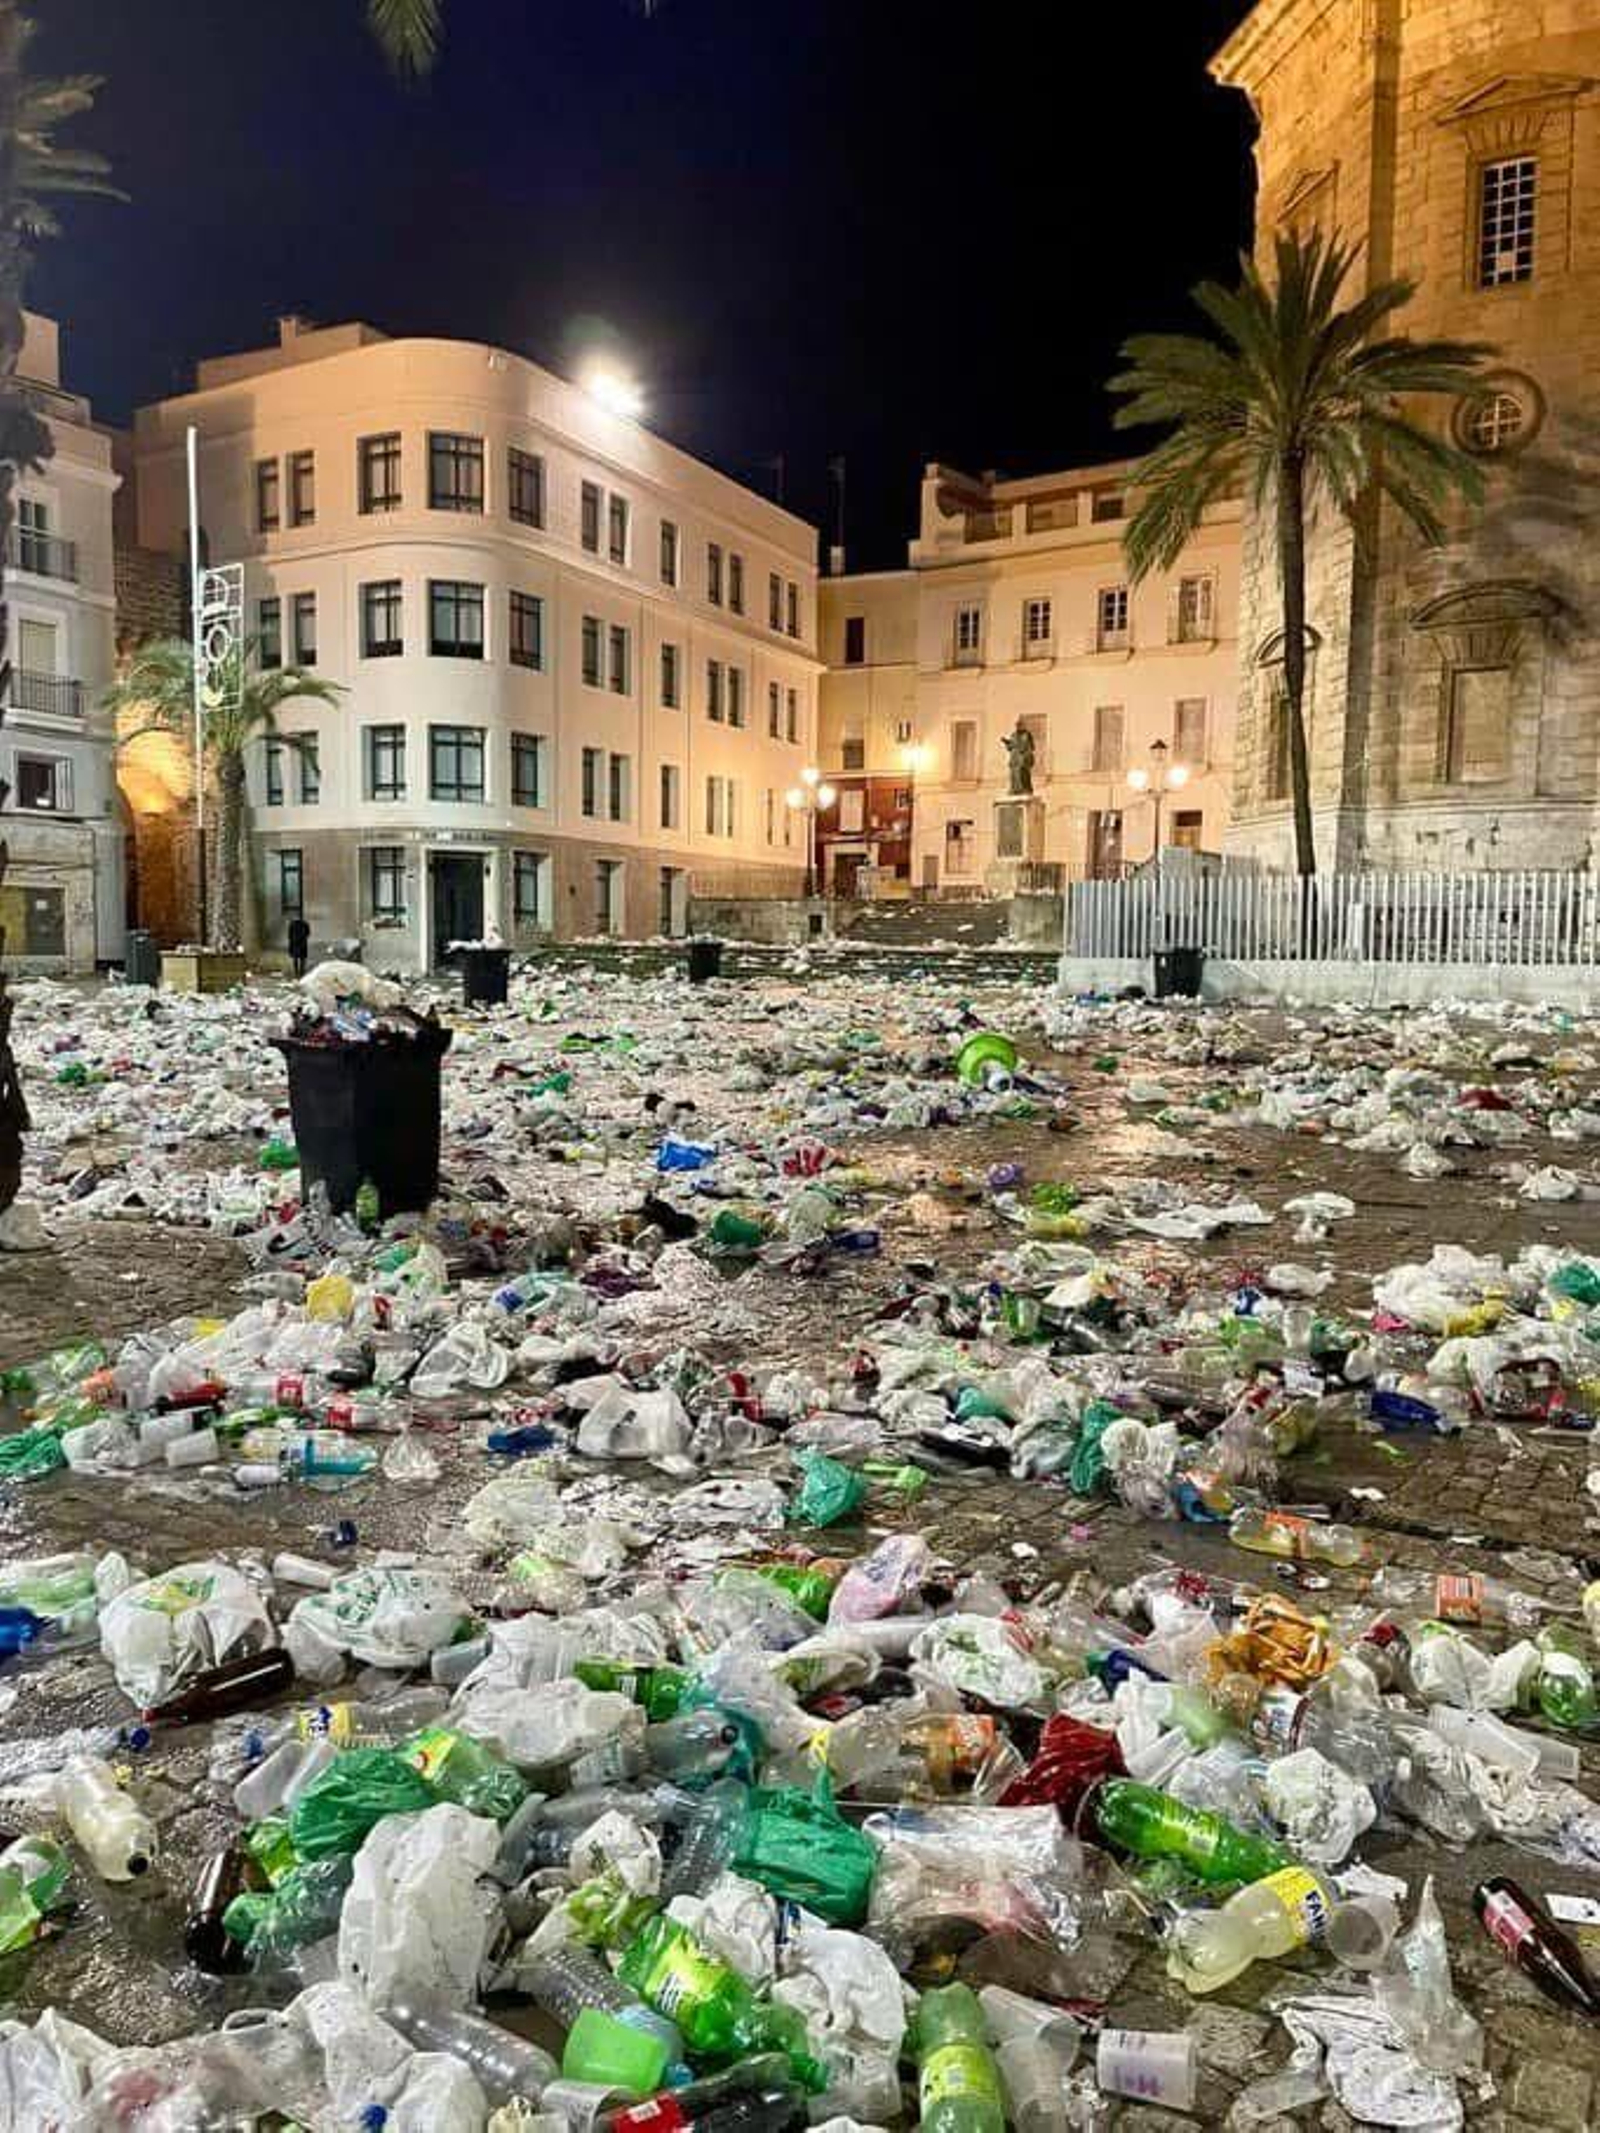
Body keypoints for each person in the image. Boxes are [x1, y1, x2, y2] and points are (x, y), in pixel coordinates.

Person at [287, 914, 311, 980]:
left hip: (295, 943)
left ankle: (296, 972)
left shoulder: (292, 924)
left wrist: (292, 941)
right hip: (303, 943)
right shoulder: (305, 924)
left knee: (295, 958)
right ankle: (301, 972)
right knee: (302, 958)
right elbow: (308, 933)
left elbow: (289, 935)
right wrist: (304, 938)